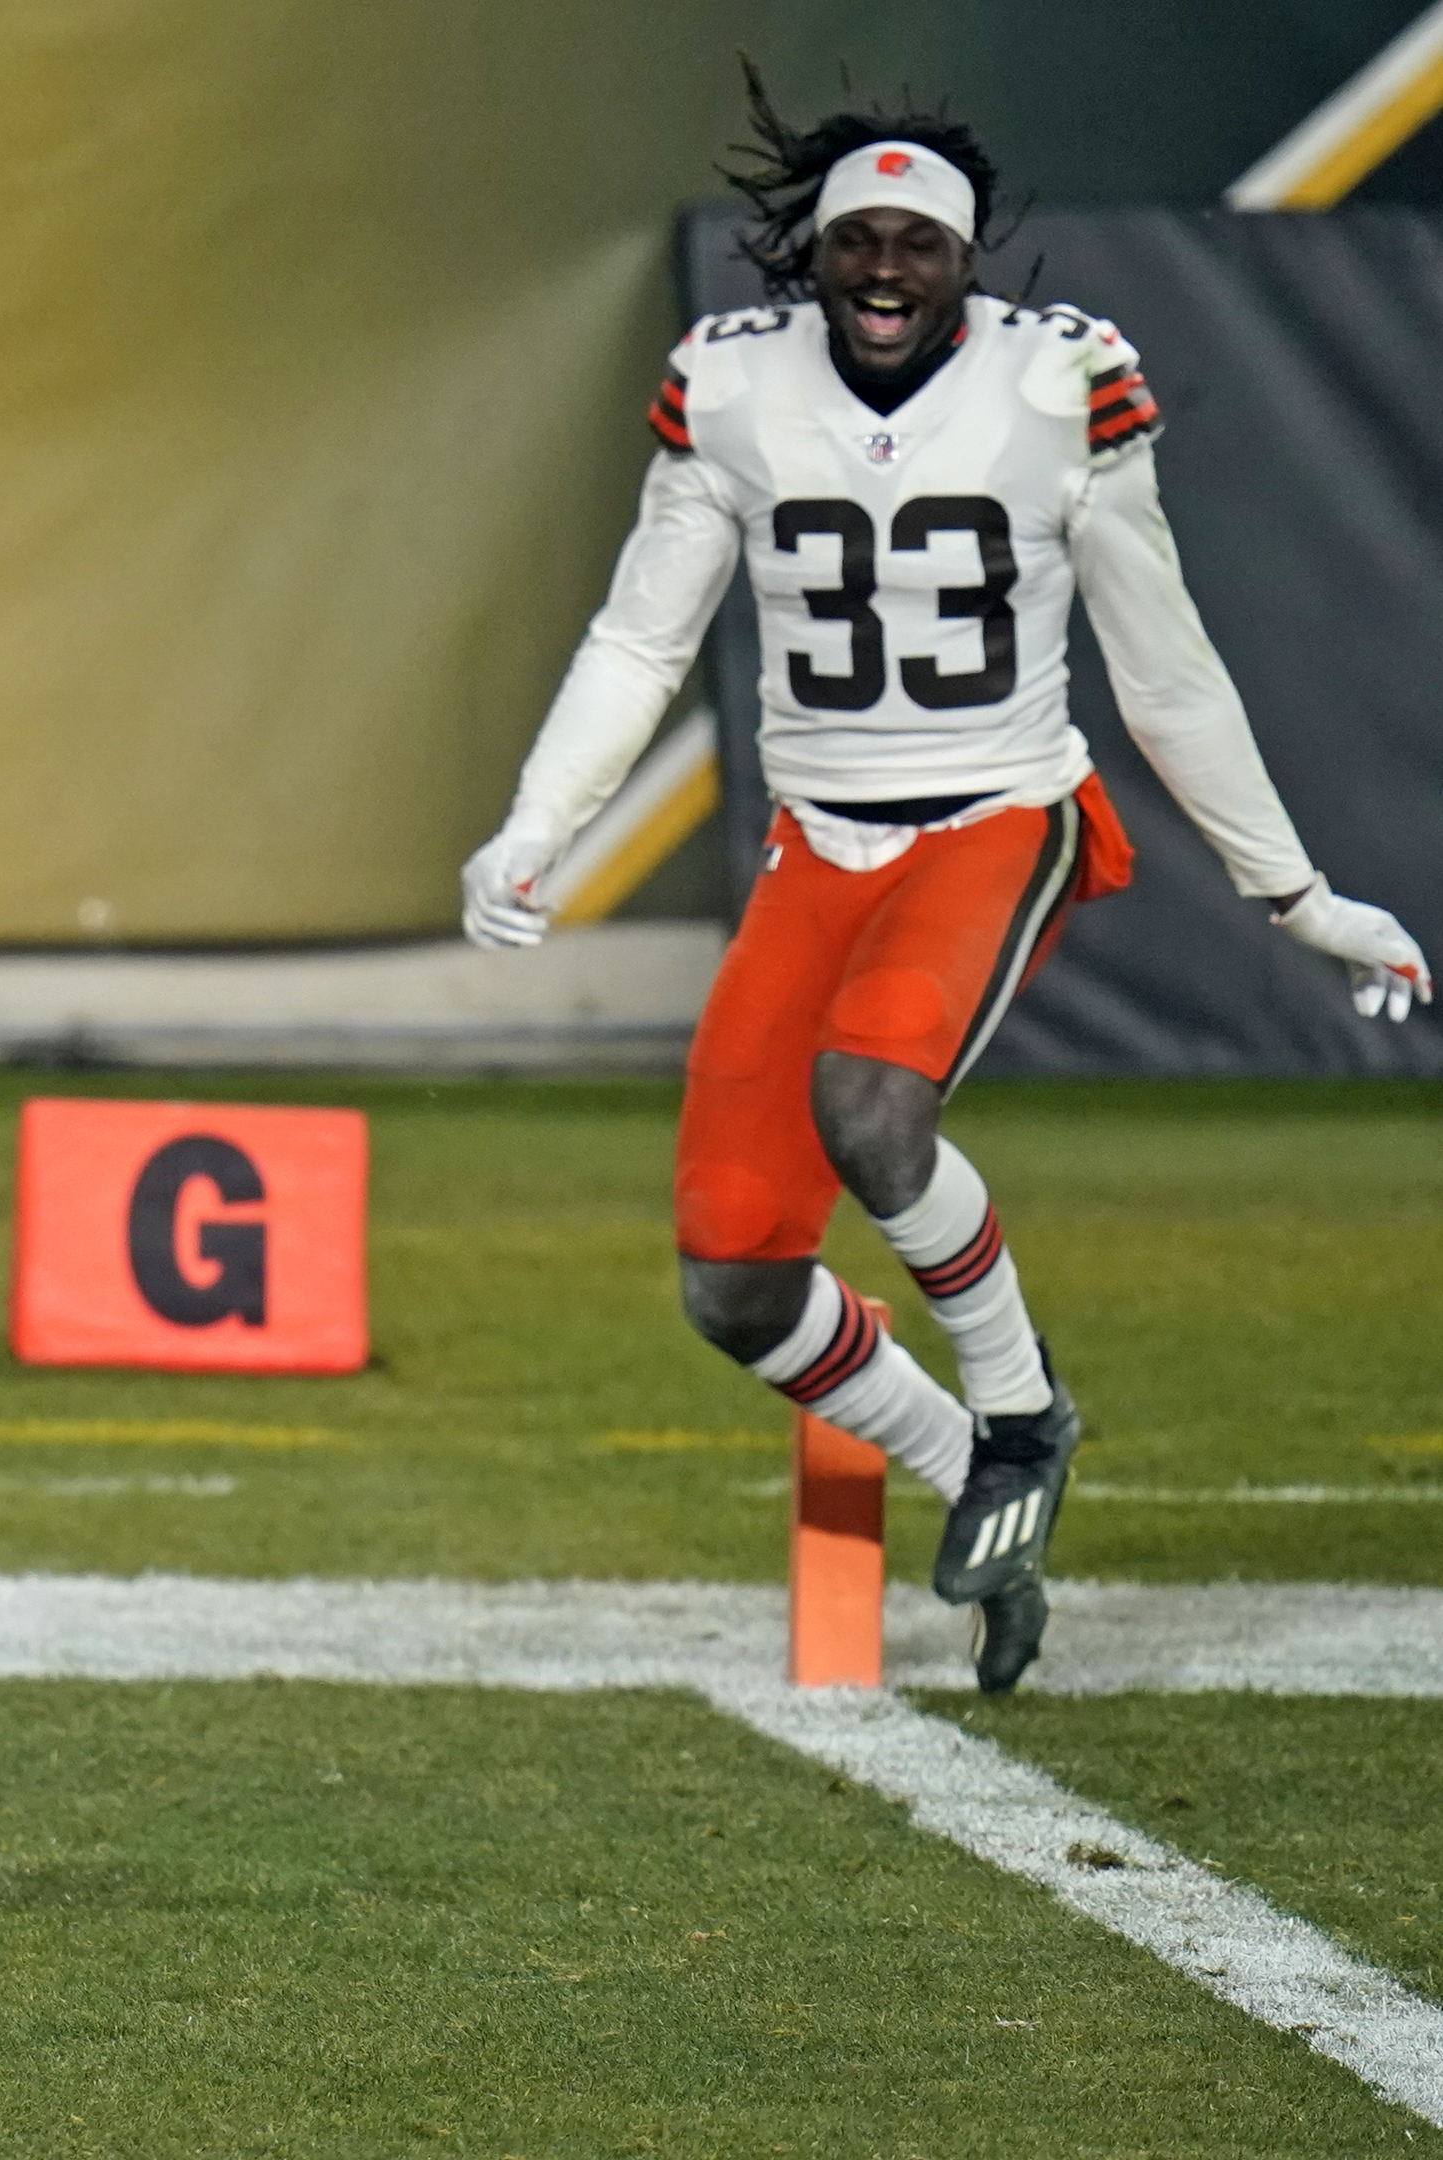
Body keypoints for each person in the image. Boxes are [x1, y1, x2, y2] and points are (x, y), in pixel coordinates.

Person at [457, 82, 1428, 1694]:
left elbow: (1163, 670)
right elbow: (641, 636)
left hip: (993, 815)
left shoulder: (1058, 382)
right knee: (731, 1276)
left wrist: (1294, 893)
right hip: (813, 842)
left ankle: (1025, 1404)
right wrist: (537, 822)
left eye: (918, 242)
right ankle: (970, 1459)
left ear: (965, 264)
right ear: (813, 255)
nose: (885, 267)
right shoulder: (733, 384)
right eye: (857, 240)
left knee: (871, 1108)